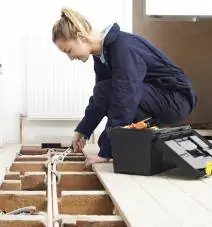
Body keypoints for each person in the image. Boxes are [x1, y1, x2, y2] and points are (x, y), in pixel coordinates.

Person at [52, 7, 198, 166]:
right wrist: (83, 131)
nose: (70, 57)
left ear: (80, 37)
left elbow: (124, 99)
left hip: (176, 98)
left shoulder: (122, 48)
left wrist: (106, 153)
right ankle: (141, 143)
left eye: (69, 50)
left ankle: (139, 143)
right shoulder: (102, 56)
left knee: (112, 140)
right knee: (105, 138)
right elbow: (100, 99)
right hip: (155, 96)